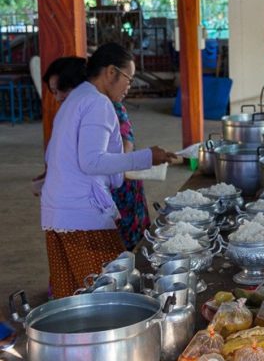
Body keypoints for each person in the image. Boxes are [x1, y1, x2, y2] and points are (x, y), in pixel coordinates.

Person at [41, 42, 177, 298]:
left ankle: (73, 337)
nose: (129, 86)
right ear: (111, 72)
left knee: (71, 295)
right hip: (81, 215)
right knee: (109, 291)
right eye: (129, 78)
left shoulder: (75, 98)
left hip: (57, 212)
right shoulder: (98, 103)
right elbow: (92, 161)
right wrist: (147, 157)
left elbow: (56, 155)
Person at [31, 57, 88, 196]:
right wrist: (49, 174)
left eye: (63, 89)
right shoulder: (64, 113)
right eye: (54, 92)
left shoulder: (100, 111)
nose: (58, 97)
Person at [111, 101, 151, 250]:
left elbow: (127, 141)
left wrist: (121, 167)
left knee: (130, 240)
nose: (128, 85)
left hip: (122, 180)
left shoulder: (114, 106)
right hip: (116, 177)